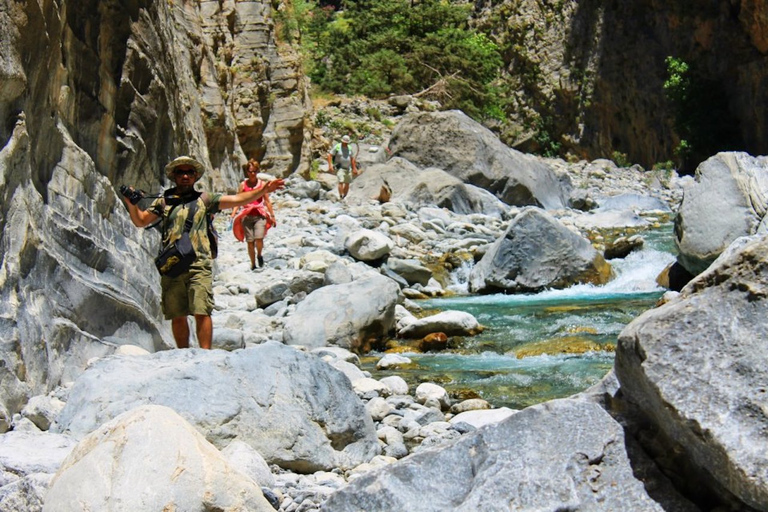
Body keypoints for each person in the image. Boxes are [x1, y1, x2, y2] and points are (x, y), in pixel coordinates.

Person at [122, 156, 284, 350]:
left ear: (195, 176)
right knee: (177, 314)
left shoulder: (206, 199)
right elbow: (141, 221)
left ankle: (205, 355)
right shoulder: (163, 201)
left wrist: (263, 190)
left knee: (202, 310)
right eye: (180, 172)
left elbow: (238, 199)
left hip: (199, 262)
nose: (185, 176)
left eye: (189, 172)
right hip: (172, 263)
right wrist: (131, 203)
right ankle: (183, 354)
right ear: (174, 176)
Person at [230, 158, 276, 270]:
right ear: (247, 172)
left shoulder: (262, 184)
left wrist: (272, 216)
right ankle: (253, 264)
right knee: (250, 242)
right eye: (250, 171)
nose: (252, 173)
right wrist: (233, 214)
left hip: (260, 215)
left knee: (259, 238)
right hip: (246, 216)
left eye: (254, 171)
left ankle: (259, 254)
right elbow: (238, 200)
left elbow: (267, 201)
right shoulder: (243, 185)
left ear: (257, 171)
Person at [327, 134, 358, 200]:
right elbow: (330, 155)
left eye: (347, 142)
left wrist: (354, 168)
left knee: (347, 183)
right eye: (345, 142)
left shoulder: (349, 148)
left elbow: (352, 158)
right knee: (341, 181)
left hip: (348, 168)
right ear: (342, 142)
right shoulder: (337, 147)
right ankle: (341, 195)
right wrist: (330, 165)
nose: (346, 144)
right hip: (340, 167)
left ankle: (344, 197)